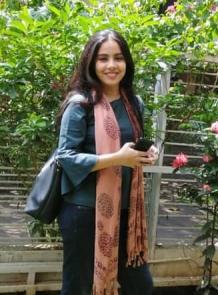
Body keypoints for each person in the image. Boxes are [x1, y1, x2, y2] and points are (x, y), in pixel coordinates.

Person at [55, 29, 157, 295]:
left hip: (127, 212)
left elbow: (132, 144)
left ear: (127, 63)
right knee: (77, 286)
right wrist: (117, 158)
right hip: (83, 211)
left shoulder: (134, 103)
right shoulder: (81, 104)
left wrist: (145, 153)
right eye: (103, 59)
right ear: (91, 63)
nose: (111, 65)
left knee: (140, 285)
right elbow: (65, 156)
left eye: (118, 58)